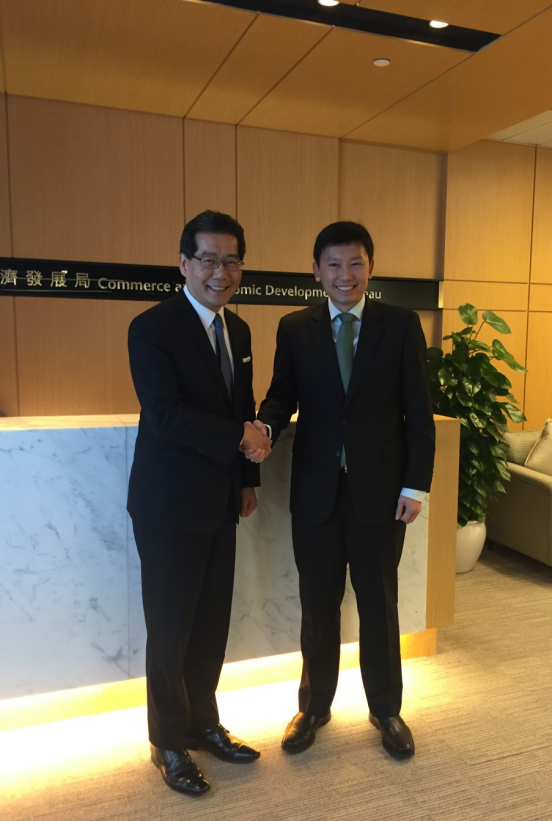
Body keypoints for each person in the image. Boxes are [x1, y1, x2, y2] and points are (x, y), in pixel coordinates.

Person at [255, 221, 435, 759]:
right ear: (316, 271)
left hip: (381, 493)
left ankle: (386, 708)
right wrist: (264, 428)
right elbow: (281, 396)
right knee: (317, 604)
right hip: (317, 493)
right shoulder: (295, 327)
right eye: (333, 264)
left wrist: (415, 486)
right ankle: (313, 706)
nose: (345, 274)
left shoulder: (400, 325)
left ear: (370, 267)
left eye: (355, 263)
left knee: (380, 604)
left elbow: (418, 412)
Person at [127, 210, 271, 797]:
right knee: (170, 629)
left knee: (210, 625)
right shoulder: (151, 327)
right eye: (208, 259)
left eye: (231, 260)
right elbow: (166, 415)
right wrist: (241, 438)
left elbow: (243, 404)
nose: (220, 271)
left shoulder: (239, 331)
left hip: (220, 501)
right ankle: (166, 741)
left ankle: (201, 723)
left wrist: (246, 480)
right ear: (184, 263)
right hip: (167, 505)